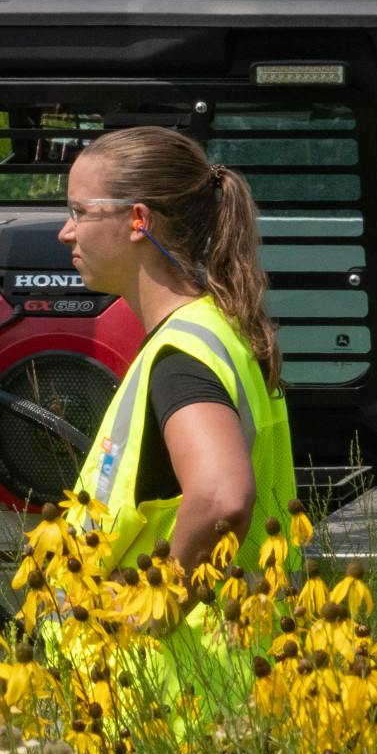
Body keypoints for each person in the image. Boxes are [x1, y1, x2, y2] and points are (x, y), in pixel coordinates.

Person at [59, 126, 296, 578]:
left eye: (80, 211)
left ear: (138, 220)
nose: (66, 233)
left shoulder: (180, 357)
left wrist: (153, 605)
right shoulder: (218, 329)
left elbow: (221, 495)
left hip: (166, 647)